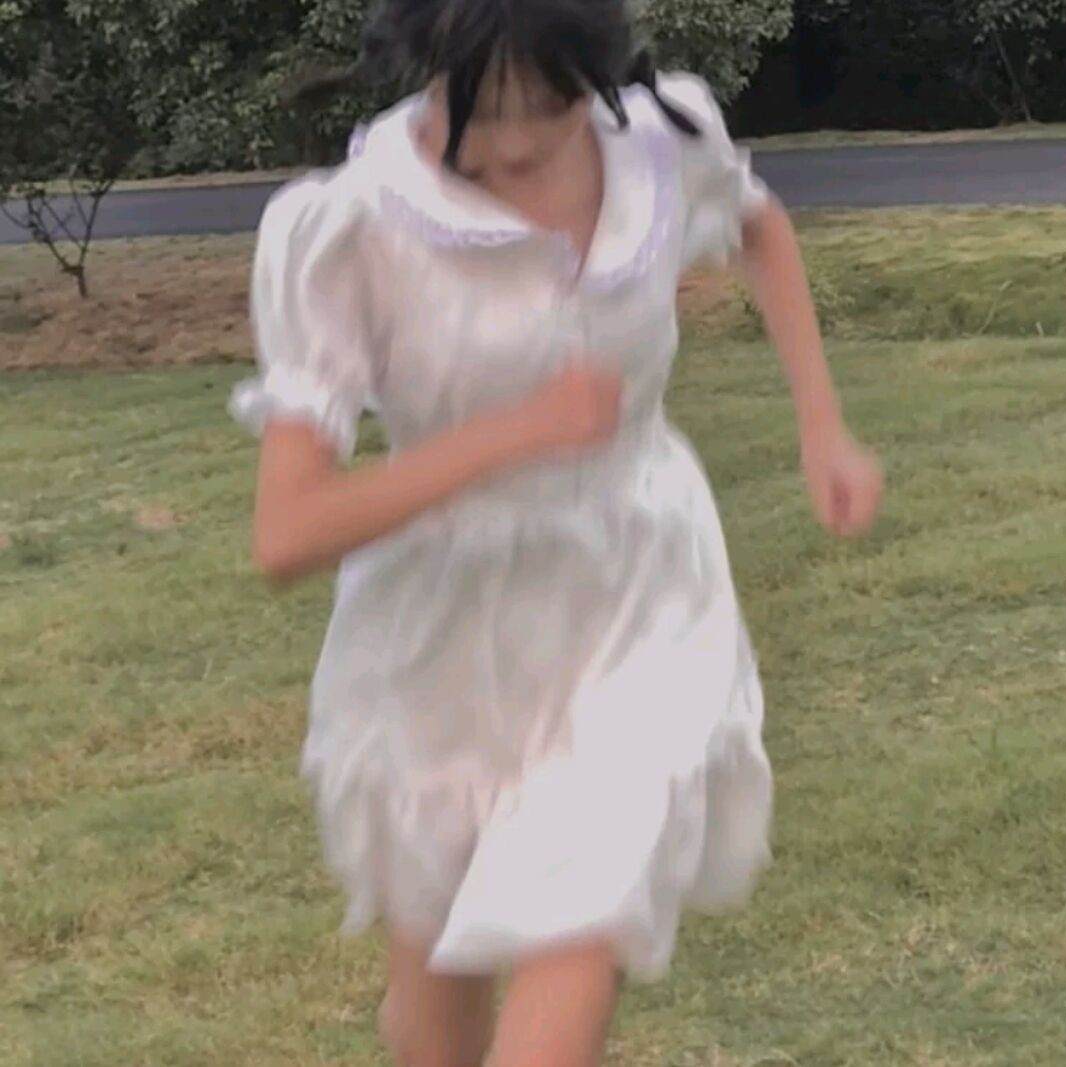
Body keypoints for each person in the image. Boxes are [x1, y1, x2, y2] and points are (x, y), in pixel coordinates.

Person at [227, 2, 885, 1065]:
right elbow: (286, 531)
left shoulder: (664, 144)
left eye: (545, 109)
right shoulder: (352, 228)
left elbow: (758, 228)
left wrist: (824, 426)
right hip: (440, 635)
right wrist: (514, 433)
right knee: (437, 1002)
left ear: (595, 74)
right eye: (475, 112)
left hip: (638, 595)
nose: (511, 145)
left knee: (581, 919)